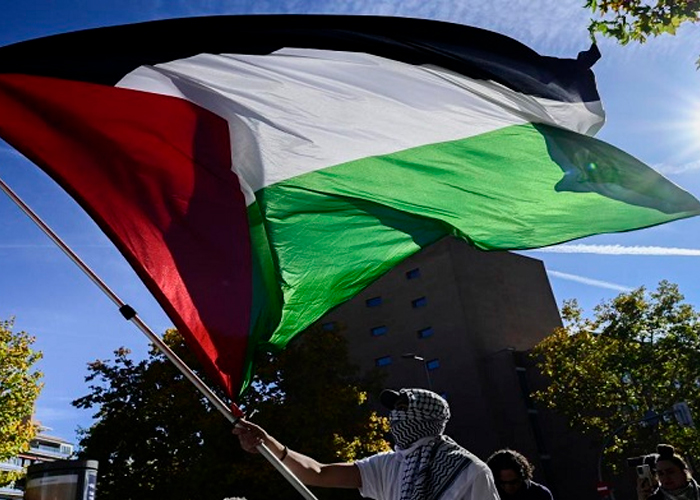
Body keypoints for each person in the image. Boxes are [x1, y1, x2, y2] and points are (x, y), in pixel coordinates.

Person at [233, 387, 500, 500]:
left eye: (403, 407)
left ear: (430, 417)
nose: (395, 416)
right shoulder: (387, 464)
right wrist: (267, 443)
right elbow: (318, 472)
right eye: (394, 408)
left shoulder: (471, 470)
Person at [486, 448, 553, 500]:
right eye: (502, 483)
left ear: (522, 477)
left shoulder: (540, 495)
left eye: (513, 482)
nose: (508, 487)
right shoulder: (488, 495)